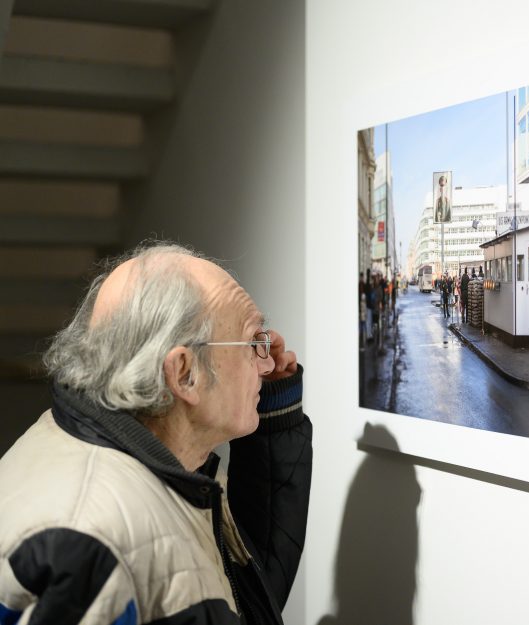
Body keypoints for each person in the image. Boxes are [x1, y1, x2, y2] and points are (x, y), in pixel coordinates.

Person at [0, 243, 311, 624]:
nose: (267, 361)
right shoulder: (89, 546)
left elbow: (237, 597)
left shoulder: (157, 458)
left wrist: (274, 407)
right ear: (184, 373)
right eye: (252, 343)